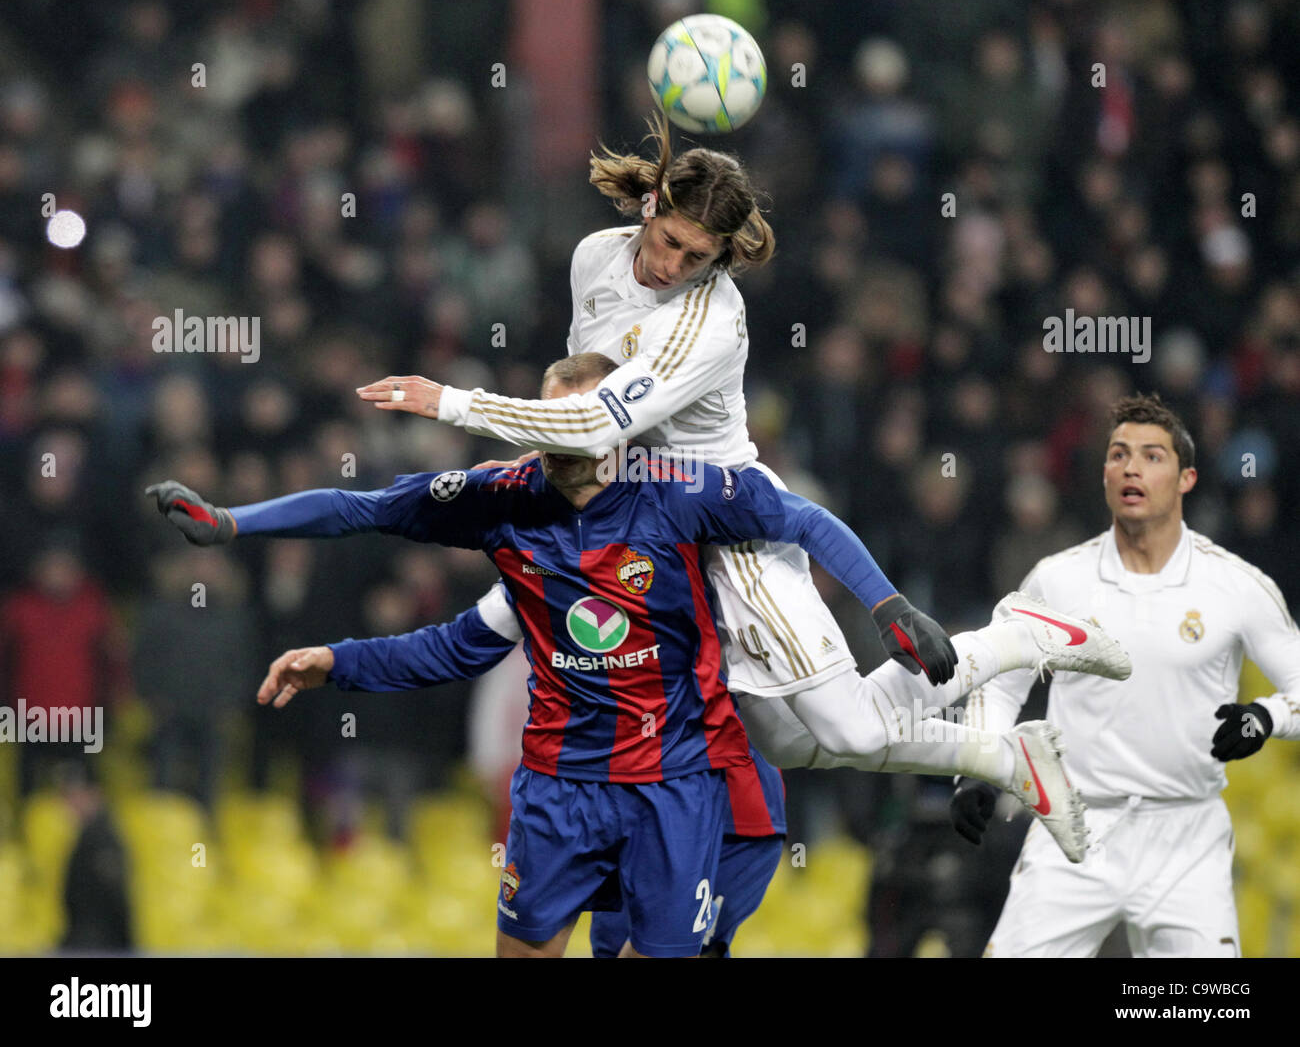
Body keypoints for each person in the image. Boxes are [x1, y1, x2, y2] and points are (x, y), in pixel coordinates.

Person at [150, 352, 1131, 953]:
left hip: (681, 792)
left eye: (597, 417)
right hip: (558, 793)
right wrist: (237, 526)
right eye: (558, 417)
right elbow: (386, 548)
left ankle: (1004, 669)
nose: (577, 435)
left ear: (623, 426)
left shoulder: (684, 494)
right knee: (825, 737)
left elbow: (802, 517)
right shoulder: (505, 508)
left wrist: (882, 601)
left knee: (830, 729)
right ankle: (1001, 714)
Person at [349, 116, 984, 785]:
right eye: (671, 242)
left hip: (724, 522)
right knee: (787, 744)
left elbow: (595, 424)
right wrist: (536, 468)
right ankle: (1001, 754)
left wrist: (453, 402)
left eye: (696, 258)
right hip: (647, 521)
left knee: (848, 728)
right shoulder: (594, 256)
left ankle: (1014, 644)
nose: (673, 266)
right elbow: (579, 394)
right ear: (652, 208)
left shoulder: (708, 319)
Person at [253, 580, 788, 958]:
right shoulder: (535, 560)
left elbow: (806, 537)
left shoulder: (704, 532)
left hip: (721, 809)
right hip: (587, 799)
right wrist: (342, 661)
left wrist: (859, 731)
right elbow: (451, 647)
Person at [950, 393, 1300, 958]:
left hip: (1186, 836)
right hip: (1073, 828)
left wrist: (1266, 715)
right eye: (1118, 454)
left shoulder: (1236, 585)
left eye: (1152, 456)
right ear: (1105, 474)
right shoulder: (1057, 581)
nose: (1131, 467)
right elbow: (999, 679)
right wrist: (979, 768)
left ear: (1187, 478)